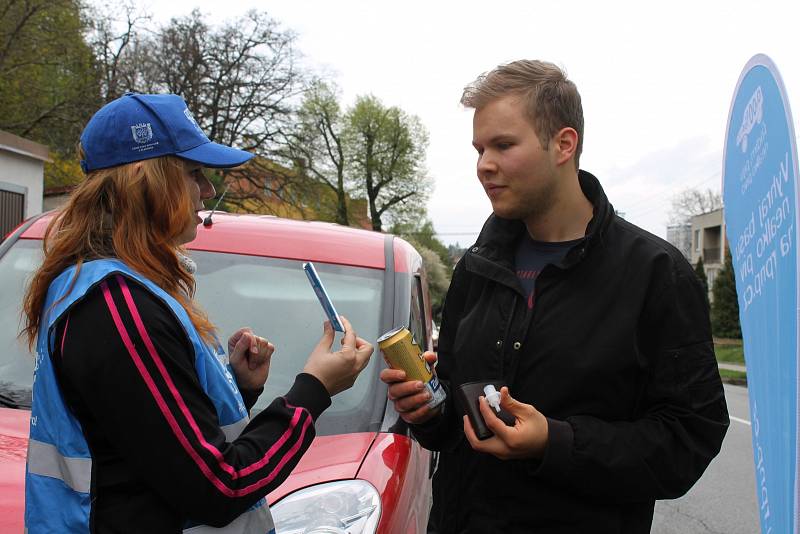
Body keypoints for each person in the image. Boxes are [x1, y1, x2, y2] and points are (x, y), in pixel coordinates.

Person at [380, 60, 729, 533]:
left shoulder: (655, 273)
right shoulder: (477, 267)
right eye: (480, 148)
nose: (484, 164)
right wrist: (428, 409)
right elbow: (456, 428)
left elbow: (689, 439)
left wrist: (555, 441)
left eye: (503, 145)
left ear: (564, 144)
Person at [21, 92, 373, 533]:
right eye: (193, 173)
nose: (207, 190)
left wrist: (238, 388)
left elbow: (147, 443)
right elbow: (220, 487)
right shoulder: (118, 307)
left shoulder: (107, 289)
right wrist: (315, 389)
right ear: (141, 180)